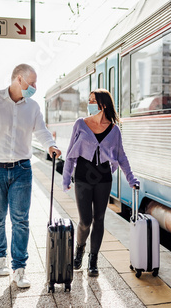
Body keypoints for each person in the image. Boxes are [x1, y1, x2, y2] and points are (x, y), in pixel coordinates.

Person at [0, 64, 60, 288]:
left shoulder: (33, 107)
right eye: (33, 82)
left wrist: (51, 146)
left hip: (22, 170)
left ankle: (19, 268)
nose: (35, 87)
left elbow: (41, 130)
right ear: (19, 79)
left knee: (20, 220)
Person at [62, 88, 139, 276]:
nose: (89, 103)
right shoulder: (80, 124)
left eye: (93, 100)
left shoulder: (114, 130)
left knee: (99, 219)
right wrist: (66, 178)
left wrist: (131, 178)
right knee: (85, 221)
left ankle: (93, 259)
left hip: (103, 177)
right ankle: (80, 249)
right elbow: (71, 154)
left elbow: (121, 157)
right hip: (82, 177)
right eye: (89, 100)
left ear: (103, 104)